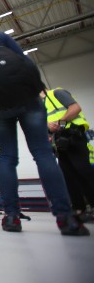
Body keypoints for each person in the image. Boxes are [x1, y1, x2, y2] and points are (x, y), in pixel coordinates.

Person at [0, 20, 89, 235]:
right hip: (28, 100)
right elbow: (26, 64)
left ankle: (12, 217)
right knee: (43, 154)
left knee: (7, 158)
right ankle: (65, 217)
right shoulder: (0, 38)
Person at [42, 88, 94, 218]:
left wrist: (61, 123)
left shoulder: (57, 93)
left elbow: (75, 108)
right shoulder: (40, 106)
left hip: (73, 136)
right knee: (68, 175)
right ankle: (79, 208)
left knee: (83, 171)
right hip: (59, 142)